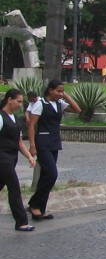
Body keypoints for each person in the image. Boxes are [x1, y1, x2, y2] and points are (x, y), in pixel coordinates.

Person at [26, 79, 81, 220]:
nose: (60, 94)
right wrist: (32, 146)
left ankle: (39, 207)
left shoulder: (59, 103)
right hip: (42, 142)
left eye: (62, 91)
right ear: (50, 90)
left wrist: (66, 95)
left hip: (54, 142)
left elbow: (77, 110)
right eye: (58, 91)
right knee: (51, 173)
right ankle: (34, 204)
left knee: (46, 176)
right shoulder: (40, 104)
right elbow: (32, 125)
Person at [1, 89, 37, 231]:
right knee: (14, 187)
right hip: (2, 159)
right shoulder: (0, 117)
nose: (20, 105)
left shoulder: (15, 119)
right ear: (9, 99)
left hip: (11, 158)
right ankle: (21, 222)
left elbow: (19, 141)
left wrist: (29, 156)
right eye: (18, 101)